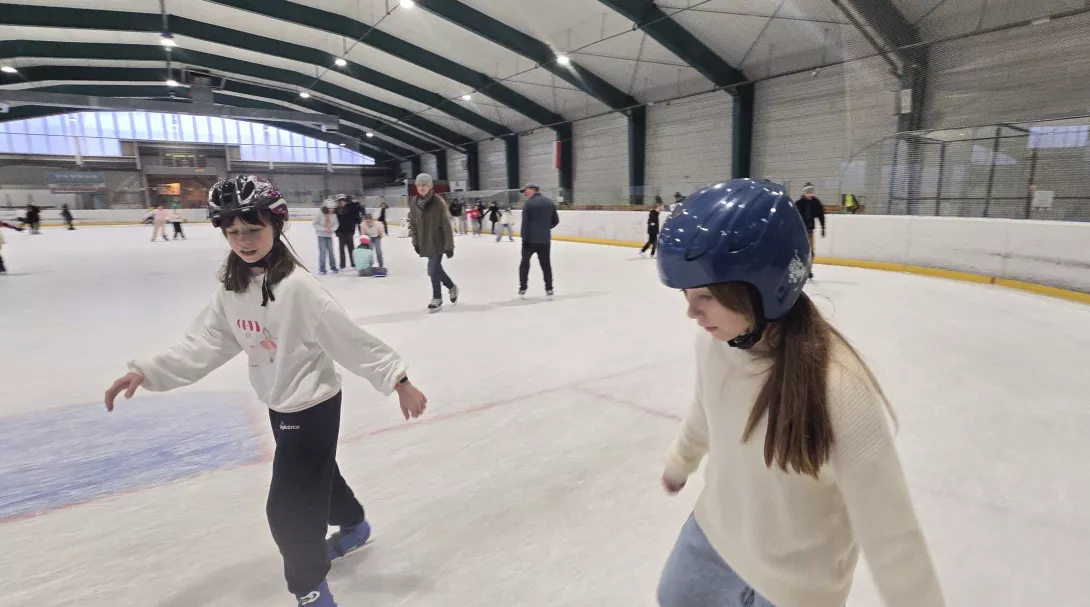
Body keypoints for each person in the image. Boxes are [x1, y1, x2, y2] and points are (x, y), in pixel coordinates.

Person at [103, 175, 429, 607]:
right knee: (318, 475)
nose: (243, 240)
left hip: (313, 405)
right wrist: (148, 371)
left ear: (276, 226)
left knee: (289, 508)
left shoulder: (299, 289)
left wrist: (398, 379)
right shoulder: (233, 286)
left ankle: (309, 588)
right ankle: (354, 526)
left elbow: (349, 340)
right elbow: (207, 341)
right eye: (233, 231)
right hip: (279, 402)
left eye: (253, 229)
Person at [654, 179, 944, 607]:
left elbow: (889, 529)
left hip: (794, 586)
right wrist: (682, 460)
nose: (690, 312)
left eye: (706, 297)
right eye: (686, 294)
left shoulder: (838, 390)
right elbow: (705, 410)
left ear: (763, 289)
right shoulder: (715, 346)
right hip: (712, 539)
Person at [407, 173, 458, 312]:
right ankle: (451, 287)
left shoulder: (438, 202)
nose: (421, 187)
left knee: (432, 269)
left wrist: (449, 246)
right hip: (425, 242)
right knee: (436, 269)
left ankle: (437, 298)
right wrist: (415, 242)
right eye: (418, 185)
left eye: (424, 184)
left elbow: (446, 225)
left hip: (438, 241)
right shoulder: (414, 202)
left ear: (430, 186)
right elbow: (413, 224)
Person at [518, 183, 559, 298]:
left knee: (524, 264)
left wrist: (524, 238)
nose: (525, 193)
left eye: (526, 191)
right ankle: (549, 288)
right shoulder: (549, 202)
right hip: (544, 240)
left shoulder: (528, 204)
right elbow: (555, 221)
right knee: (546, 264)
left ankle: (522, 287)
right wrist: (545, 228)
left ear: (533, 189)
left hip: (529, 241)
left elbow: (525, 224)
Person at [795, 183, 826, 279]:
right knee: (799, 252)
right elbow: (794, 217)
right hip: (800, 232)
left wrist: (823, 227)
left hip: (810, 230)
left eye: (811, 191)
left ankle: (808, 269)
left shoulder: (816, 203)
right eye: (808, 192)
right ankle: (799, 269)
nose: (810, 194)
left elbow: (821, 215)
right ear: (804, 193)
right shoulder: (799, 204)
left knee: (810, 252)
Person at [335, 195, 361, 271]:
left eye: (343, 201)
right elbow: (334, 221)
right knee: (341, 249)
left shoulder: (350, 208)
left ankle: (353, 263)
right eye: (340, 201)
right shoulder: (337, 210)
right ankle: (342, 264)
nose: (342, 202)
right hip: (340, 232)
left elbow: (356, 216)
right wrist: (336, 232)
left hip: (350, 231)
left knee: (351, 248)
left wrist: (355, 204)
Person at [312, 204, 339, 274]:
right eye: (330, 208)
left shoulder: (333, 215)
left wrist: (332, 229)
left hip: (329, 235)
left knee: (331, 251)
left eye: (332, 208)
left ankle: (333, 267)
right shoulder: (320, 213)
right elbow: (315, 224)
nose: (331, 210)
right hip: (321, 235)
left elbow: (336, 224)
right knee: (322, 252)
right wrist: (324, 229)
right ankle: (322, 268)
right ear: (326, 207)